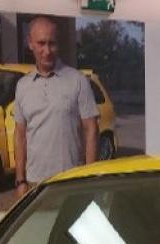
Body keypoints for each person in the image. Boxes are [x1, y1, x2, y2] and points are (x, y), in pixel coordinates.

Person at [13, 15, 99, 198]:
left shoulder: (78, 81)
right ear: (30, 43)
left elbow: (91, 129)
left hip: (70, 182)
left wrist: (89, 179)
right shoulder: (22, 86)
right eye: (41, 43)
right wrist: (20, 180)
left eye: (52, 43)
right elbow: (20, 135)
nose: (47, 51)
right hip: (35, 185)